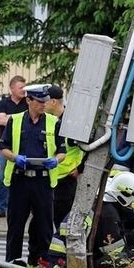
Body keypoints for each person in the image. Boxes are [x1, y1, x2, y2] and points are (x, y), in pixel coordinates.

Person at [0, 83, 66, 265]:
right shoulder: (15, 120)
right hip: (20, 180)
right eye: (39, 101)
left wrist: (56, 160)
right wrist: (15, 158)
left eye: (45, 101)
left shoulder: (54, 122)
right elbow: (3, 148)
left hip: (43, 182)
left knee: (44, 227)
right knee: (15, 226)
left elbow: (62, 151)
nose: (44, 104)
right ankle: (11, 263)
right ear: (29, 100)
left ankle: (42, 263)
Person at [47, 171, 134, 268]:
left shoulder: (100, 204)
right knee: (121, 259)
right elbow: (114, 254)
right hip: (66, 263)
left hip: (61, 258)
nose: (133, 210)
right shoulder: (108, 214)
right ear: (124, 197)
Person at [45, 84, 85, 228]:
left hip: (66, 181)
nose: (42, 103)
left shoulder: (70, 123)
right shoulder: (51, 120)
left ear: (53, 102)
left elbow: (89, 147)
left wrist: (79, 169)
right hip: (52, 178)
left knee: (62, 223)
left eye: (45, 100)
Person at [0, 75, 28, 218]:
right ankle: (1, 207)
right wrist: (19, 118)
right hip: (6, 146)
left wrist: (10, 117)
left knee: (23, 179)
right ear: (12, 88)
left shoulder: (27, 103)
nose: (23, 91)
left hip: (23, 147)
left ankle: (22, 208)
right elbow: (1, 121)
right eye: (21, 88)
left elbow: (28, 120)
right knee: (2, 177)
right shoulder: (3, 103)